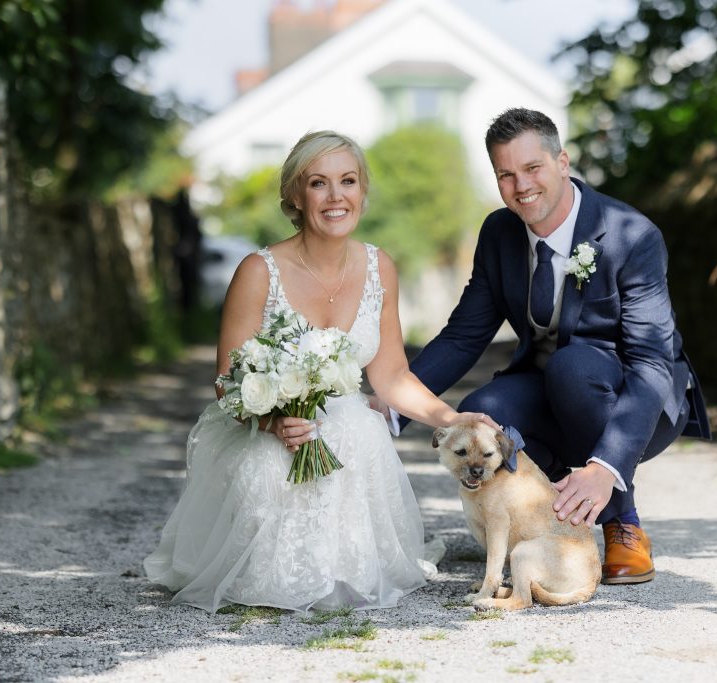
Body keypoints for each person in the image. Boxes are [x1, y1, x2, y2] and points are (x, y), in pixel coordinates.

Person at [144, 130, 497, 613]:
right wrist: (272, 421)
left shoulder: (380, 267)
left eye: (348, 181)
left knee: (358, 435)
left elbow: (391, 376)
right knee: (269, 466)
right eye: (318, 183)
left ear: (362, 192)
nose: (336, 197)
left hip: (348, 426)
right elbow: (227, 380)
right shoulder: (258, 271)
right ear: (294, 194)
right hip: (268, 429)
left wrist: (456, 420)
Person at [394, 108, 711, 585]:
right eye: (506, 174)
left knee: (574, 366)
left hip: (630, 402)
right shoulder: (499, 233)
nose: (521, 186)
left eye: (532, 168)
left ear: (562, 162)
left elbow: (651, 363)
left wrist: (604, 466)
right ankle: (540, 525)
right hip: (548, 394)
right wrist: (393, 404)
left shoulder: (632, 235)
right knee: (482, 410)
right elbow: (464, 336)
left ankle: (623, 523)